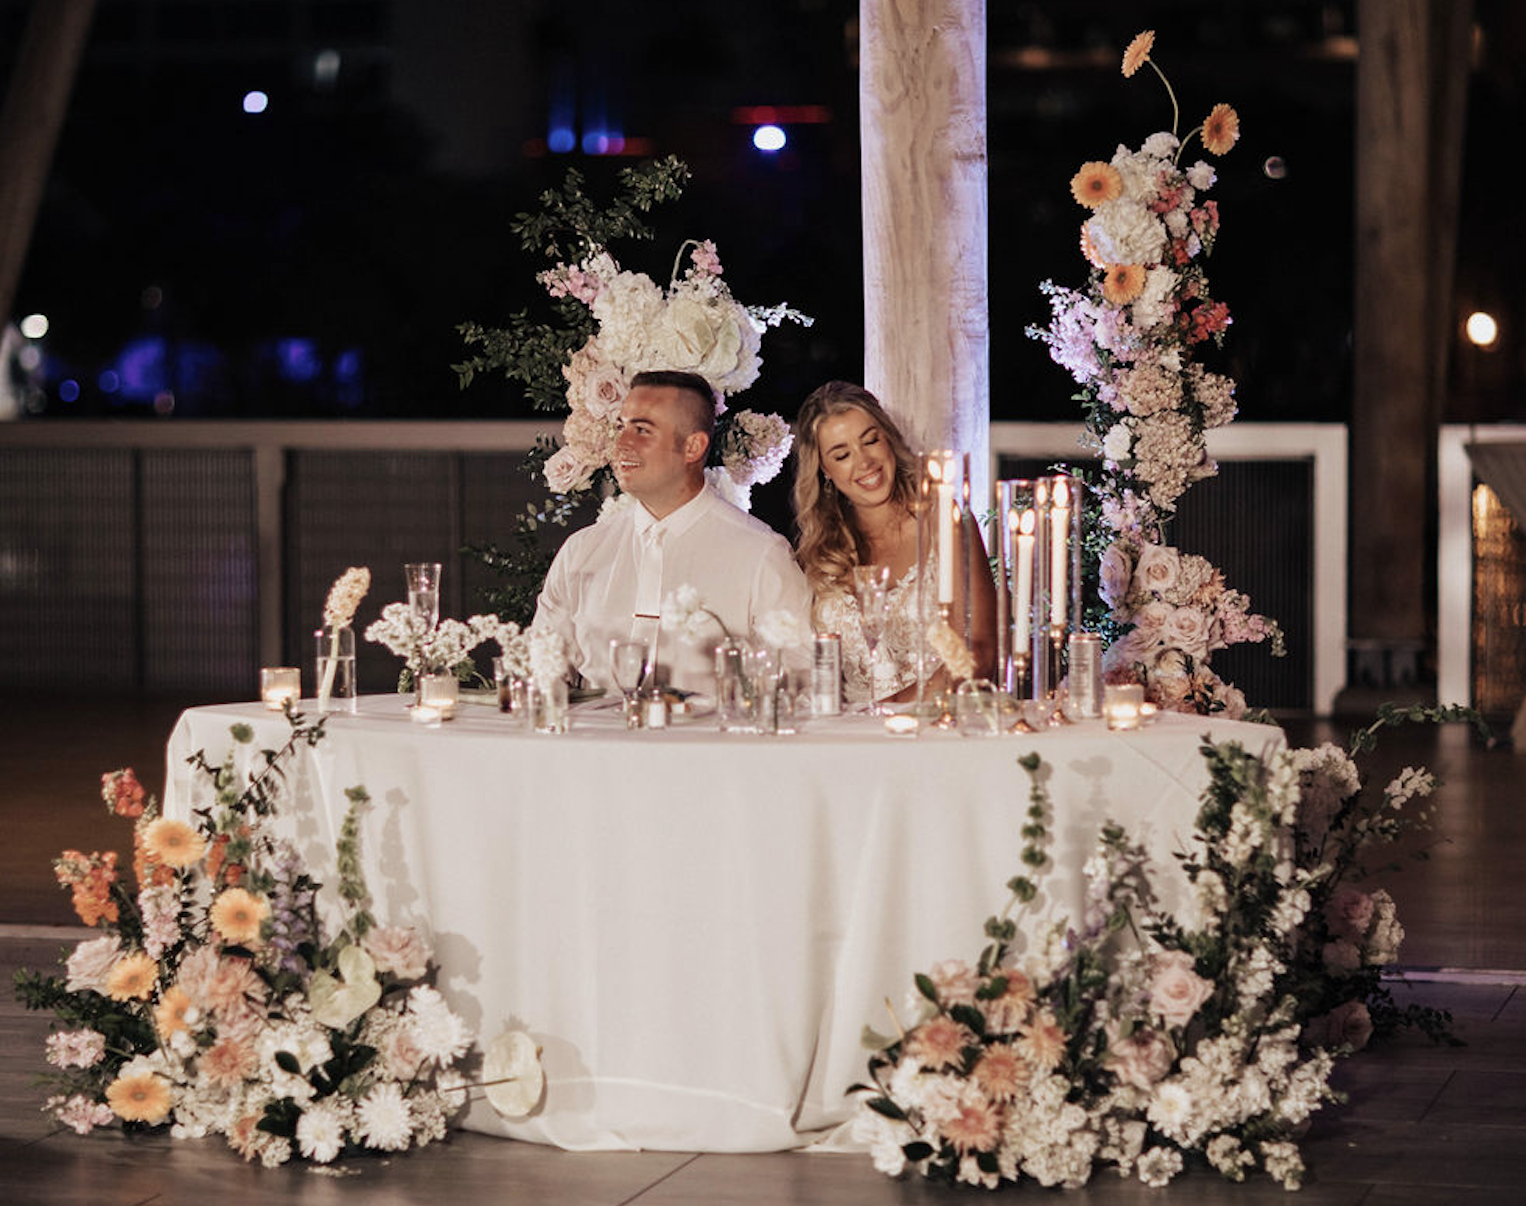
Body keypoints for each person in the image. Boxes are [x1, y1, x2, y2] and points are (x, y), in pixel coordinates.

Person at [534, 369, 813, 694]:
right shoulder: (581, 551)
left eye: (642, 430)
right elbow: (543, 670)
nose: (622, 443)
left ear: (693, 446)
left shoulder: (761, 554)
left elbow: (799, 682)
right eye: (622, 426)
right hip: (592, 740)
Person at [792, 380, 997, 706]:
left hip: (934, 726)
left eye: (870, 440)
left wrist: (892, 710)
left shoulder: (945, 521)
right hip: (846, 735)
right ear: (824, 470)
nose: (864, 462)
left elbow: (980, 654)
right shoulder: (818, 552)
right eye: (842, 454)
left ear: (888, 438)